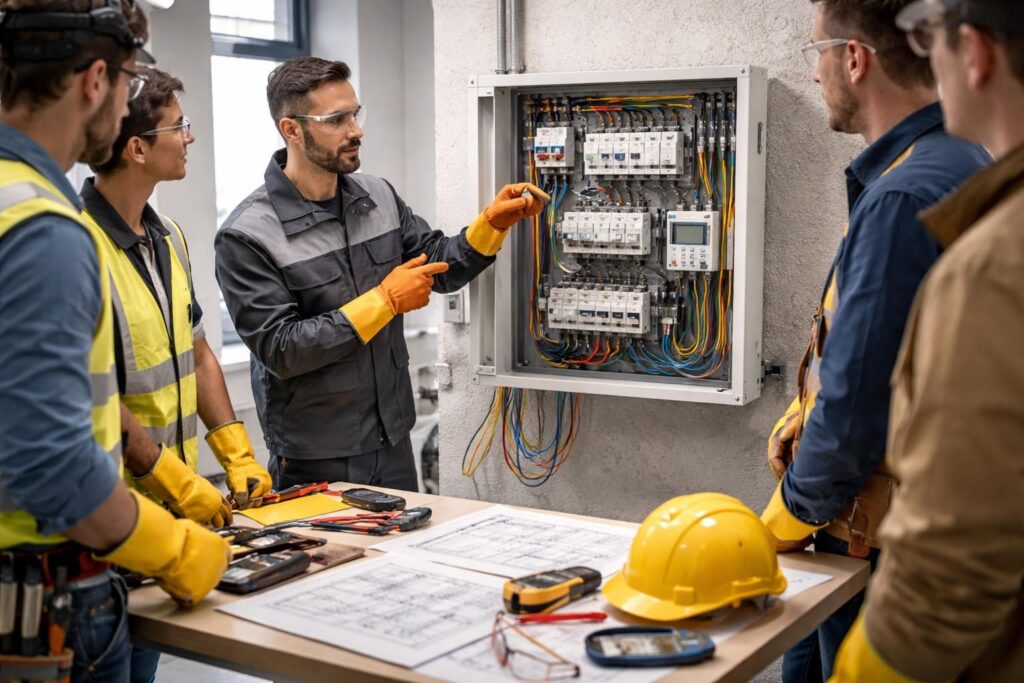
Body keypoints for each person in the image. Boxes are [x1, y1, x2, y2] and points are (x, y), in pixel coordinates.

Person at [758, 0, 989, 680]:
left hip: (870, 539)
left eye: (817, 52)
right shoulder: (961, 160)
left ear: (854, 58)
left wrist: (784, 518)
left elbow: (859, 405)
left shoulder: (900, 196)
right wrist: (804, 413)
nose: (816, 72)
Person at [0, 1, 229, 680]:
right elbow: (52, 467)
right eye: (129, 81)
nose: (127, 103)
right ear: (96, 80)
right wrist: (173, 547)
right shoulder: (43, 228)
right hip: (49, 588)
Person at [216, 57, 549, 492]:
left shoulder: (377, 196)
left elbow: (439, 266)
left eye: (355, 114)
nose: (356, 130)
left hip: (392, 438)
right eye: (336, 120)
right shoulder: (247, 234)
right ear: (291, 130)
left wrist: (491, 223)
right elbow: (282, 349)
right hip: (316, 455)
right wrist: (385, 301)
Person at [830, 1, 1024, 680]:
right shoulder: (975, 179)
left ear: (975, 52)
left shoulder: (991, 261)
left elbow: (954, 560)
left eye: (930, 40)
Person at [81, 65, 272, 683]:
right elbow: (88, 396)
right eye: (178, 127)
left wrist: (236, 451)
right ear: (136, 148)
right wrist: (167, 476)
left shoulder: (170, 239)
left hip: (169, 518)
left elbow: (197, 351)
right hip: (106, 526)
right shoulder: (79, 247)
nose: (189, 137)